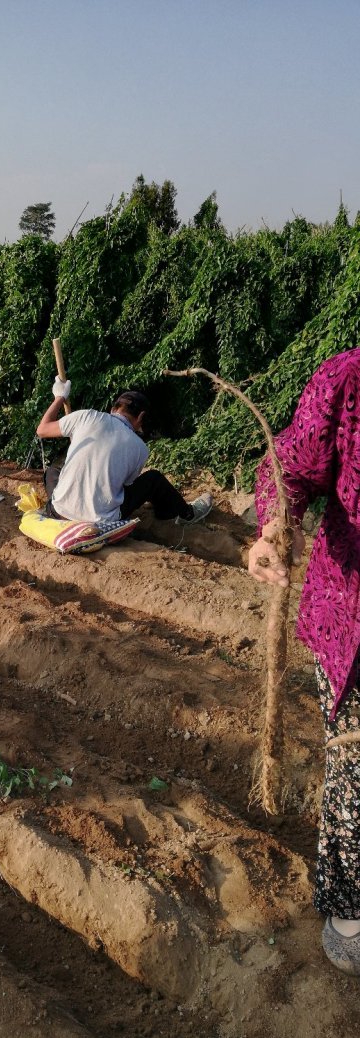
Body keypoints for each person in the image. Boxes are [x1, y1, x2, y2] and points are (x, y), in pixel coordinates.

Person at [247, 346, 360, 976]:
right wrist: (271, 531)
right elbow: (285, 470)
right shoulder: (349, 380)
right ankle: (352, 908)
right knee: (357, 768)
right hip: (354, 616)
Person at [36, 377, 213, 526]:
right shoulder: (140, 448)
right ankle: (186, 514)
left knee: (53, 471)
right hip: (101, 522)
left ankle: (64, 508)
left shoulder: (85, 416)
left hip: (58, 511)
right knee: (153, 479)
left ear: (114, 408)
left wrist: (59, 397)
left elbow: (42, 430)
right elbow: (124, 486)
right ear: (141, 417)